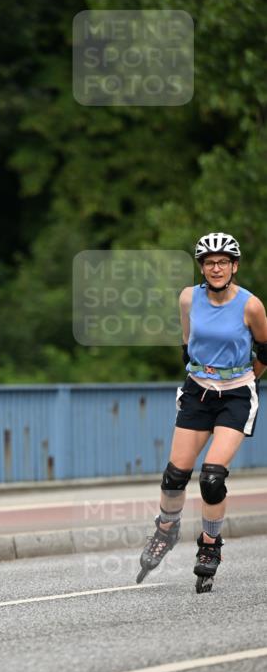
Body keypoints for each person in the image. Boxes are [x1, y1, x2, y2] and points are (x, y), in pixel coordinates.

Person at [137, 232, 267, 592]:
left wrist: (245, 380)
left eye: (223, 262)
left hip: (236, 396)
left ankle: (210, 545)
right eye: (209, 262)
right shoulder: (188, 298)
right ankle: (165, 531)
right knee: (174, 476)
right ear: (202, 267)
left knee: (211, 477)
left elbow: (266, 350)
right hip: (198, 393)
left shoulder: (250, 305)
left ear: (234, 266)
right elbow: (186, 342)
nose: (216, 268)